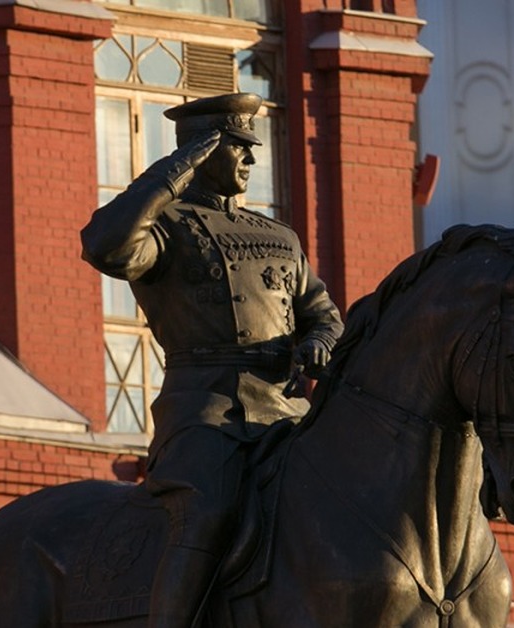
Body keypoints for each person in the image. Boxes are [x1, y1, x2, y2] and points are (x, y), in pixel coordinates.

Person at [81, 92, 343, 628]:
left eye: (253, 148)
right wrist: (175, 170)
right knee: (208, 513)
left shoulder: (279, 237)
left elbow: (325, 315)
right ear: (204, 152)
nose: (251, 158)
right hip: (205, 410)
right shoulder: (166, 228)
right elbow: (105, 245)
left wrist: (319, 342)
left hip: (286, 413)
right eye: (238, 147)